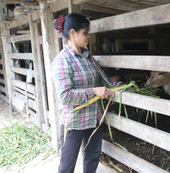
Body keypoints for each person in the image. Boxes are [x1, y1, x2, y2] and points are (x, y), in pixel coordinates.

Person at [51, 13, 115, 173]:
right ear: (72, 33)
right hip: (74, 123)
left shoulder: (88, 57)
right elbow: (65, 96)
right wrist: (93, 91)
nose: (88, 36)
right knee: (67, 165)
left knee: (92, 157)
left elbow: (103, 79)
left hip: (94, 119)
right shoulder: (62, 60)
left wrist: (116, 86)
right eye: (85, 32)